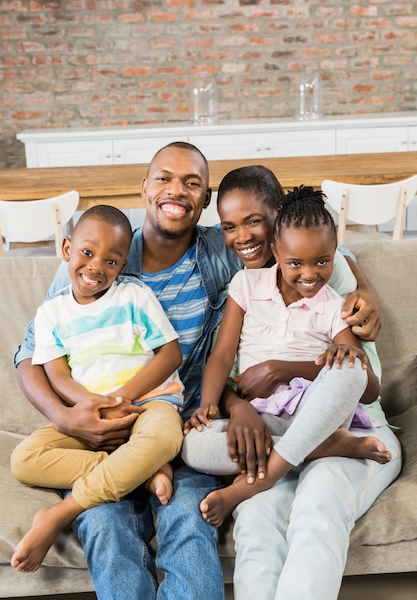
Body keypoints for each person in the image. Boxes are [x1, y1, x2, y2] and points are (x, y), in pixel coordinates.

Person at [13, 150, 385, 600]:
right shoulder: (100, 250)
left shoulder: (220, 250)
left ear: (204, 199)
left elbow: (309, 248)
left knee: (189, 520)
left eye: (191, 183)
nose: (176, 191)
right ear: (144, 187)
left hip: (176, 420)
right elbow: (31, 352)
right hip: (97, 430)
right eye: (164, 179)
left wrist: (363, 286)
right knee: (105, 526)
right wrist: (65, 416)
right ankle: (127, 478)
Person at [198, 166, 401, 600]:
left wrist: (284, 367)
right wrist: (231, 405)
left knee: (315, 511)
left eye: (254, 220)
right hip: (274, 427)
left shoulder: (331, 277)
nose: (242, 236)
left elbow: (361, 379)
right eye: (231, 226)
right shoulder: (240, 279)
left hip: (350, 422)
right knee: (254, 524)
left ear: (278, 214)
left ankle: (271, 473)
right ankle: (284, 465)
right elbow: (221, 362)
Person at [11, 205, 185, 573]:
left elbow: (170, 355)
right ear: (66, 250)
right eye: (87, 253)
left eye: (111, 261)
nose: (96, 267)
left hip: (147, 405)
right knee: (24, 460)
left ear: (122, 266)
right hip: (89, 414)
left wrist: (123, 399)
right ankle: (141, 472)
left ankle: (60, 512)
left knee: (165, 438)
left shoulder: (133, 295)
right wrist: (93, 406)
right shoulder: (51, 314)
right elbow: (57, 376)